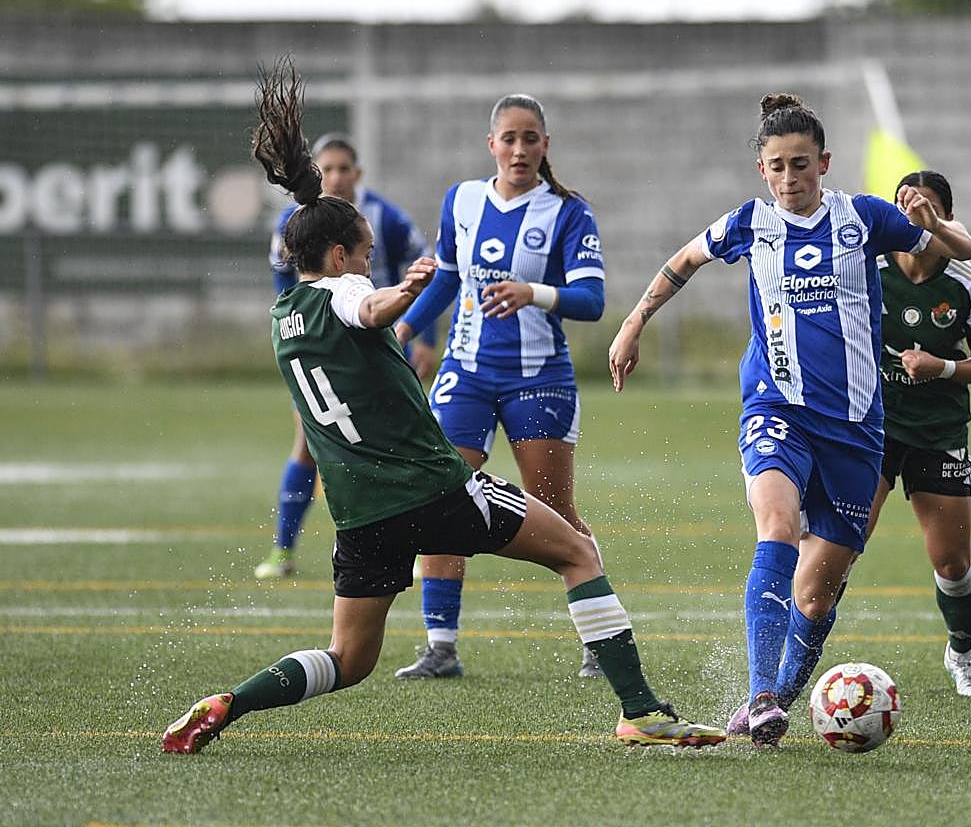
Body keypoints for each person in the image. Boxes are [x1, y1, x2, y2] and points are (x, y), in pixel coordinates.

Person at [162, 57, 725, 755]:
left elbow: (361, 313)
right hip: (431, 491)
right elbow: (365, 304)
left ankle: (231, 702)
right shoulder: (348, 291)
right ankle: (640, 710)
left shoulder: (283, 315)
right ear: (340, 256)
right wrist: (402, 293)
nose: (371, 264)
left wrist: (402, 306)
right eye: (366, 254)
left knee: (349, 659)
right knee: (578, 552)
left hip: (360, 518)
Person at [608, 94, 971, 748]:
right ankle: (763, 695)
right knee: (776, 527)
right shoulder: (750, 223)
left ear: (823, 163)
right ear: (762, 169)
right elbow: (683, 261)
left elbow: (961, 249)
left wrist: (932, 224)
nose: (788, 179)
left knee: (817, 593)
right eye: (776, 166)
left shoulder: (864, 217)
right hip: (775, 409)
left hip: (857, 428)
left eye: (800, 165)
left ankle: (776, 698)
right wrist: (636, 321)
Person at [392, 93, 605, 680]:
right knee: (440, 497)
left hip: (539, 378)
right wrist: (403, 329)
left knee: (554, 509)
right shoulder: (461, 200)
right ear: (492, 144)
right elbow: (448, 280)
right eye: (509, 138)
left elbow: (592, 301)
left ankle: (598, 638)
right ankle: (441, 648)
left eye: (530, 138)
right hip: (466, 371)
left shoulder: (568, 213)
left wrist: (531, 292)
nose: (519, 149)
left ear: (545, 145)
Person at [255, 132, 439, 580]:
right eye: (328, 169)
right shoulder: (292, 226)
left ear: (357, 174)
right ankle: (283, 549)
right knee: (310, 444)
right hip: (326, 349)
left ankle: (416, 546)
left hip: (378, 339)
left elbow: (416, 272)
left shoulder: (384, 220)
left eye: (343, 169)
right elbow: (289, 294)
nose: (335, 177)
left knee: (402, 440)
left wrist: (424, 340)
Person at [866, 170, 971, 695]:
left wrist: (941, 367)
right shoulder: (867, 270)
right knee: (844, 544)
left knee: (951, 561)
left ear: (946, 219)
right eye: (907, 210)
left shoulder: (969, 288)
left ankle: (961, 652)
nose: (916, 220)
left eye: (928, 211)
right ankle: (798, 652)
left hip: (938, 428)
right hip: (872, 425)